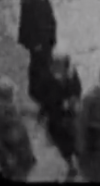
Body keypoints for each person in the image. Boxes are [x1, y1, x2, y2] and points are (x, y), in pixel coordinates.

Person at [40, 50, 83, 180]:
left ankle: (80, 161)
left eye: (59, 64)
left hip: (69, 117)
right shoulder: (48, 79)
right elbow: (45, 99)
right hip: (57, 121)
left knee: (75, 140)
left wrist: (72, 101)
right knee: (65, 147)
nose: (56, 67)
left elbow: (77, 90)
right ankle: (72, 165)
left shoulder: (71, 76)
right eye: (55, 64)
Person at [18, 0, 58, 108]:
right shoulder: (29, 0)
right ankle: (38, 93)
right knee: (39, 66)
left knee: (43, 64)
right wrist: (34, 43)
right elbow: (27, 25)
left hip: (45, 39)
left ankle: (40, 90)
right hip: (38, 42)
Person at [0, 77, 37, 181]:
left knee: (24, 167)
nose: (13, 94)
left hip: (21, 144)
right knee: (19, 175)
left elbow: (20, 110)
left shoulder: (10, 103)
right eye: (11, 92)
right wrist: (7, 156)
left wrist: (33, 112)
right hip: (13, 150)